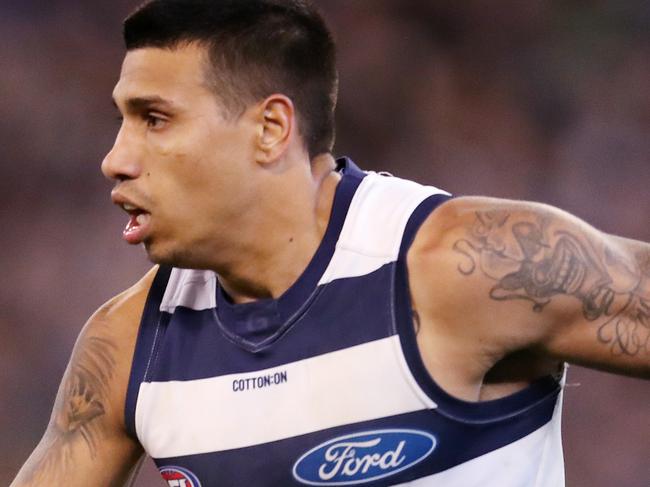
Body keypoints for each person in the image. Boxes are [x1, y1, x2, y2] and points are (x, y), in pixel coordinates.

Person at [11, 0, 649, 486]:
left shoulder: (464, 264)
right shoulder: (127, 348)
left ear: (270, 128)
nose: (115, 159)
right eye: (121, 121)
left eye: (155, 119)